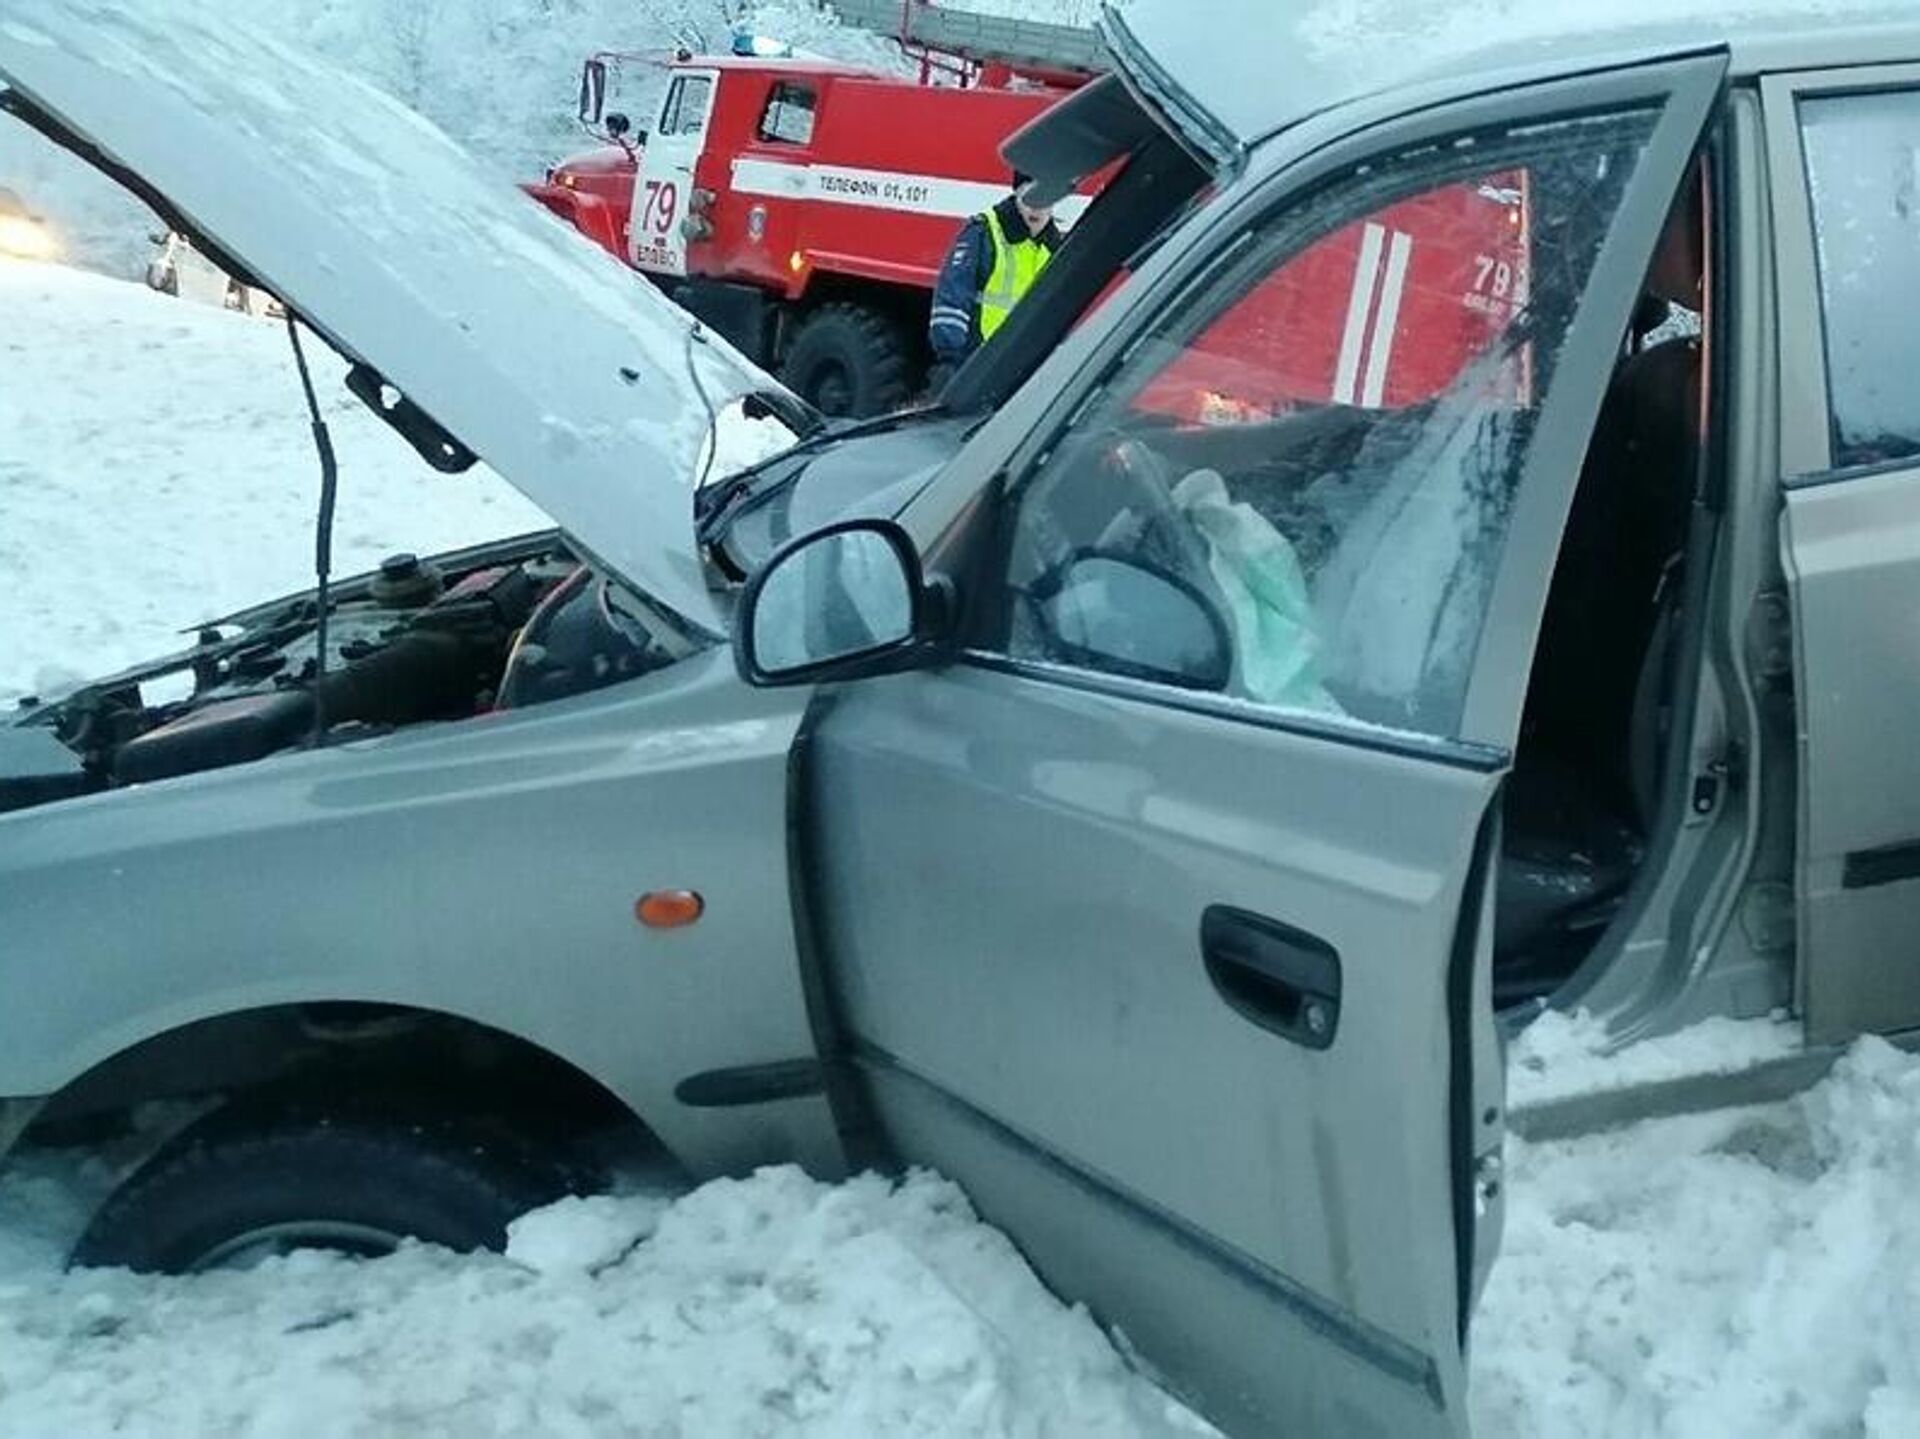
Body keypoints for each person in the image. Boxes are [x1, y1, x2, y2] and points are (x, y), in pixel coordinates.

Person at [926, 171, 1064, 389]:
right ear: (1017, 194)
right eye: (1030, 199)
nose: (1036, 208)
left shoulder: (1055, 246)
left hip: (1019, 366)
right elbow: (953, 293)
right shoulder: (984, 230)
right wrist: (953, 359)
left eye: (1045, 199)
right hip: (974, 360)